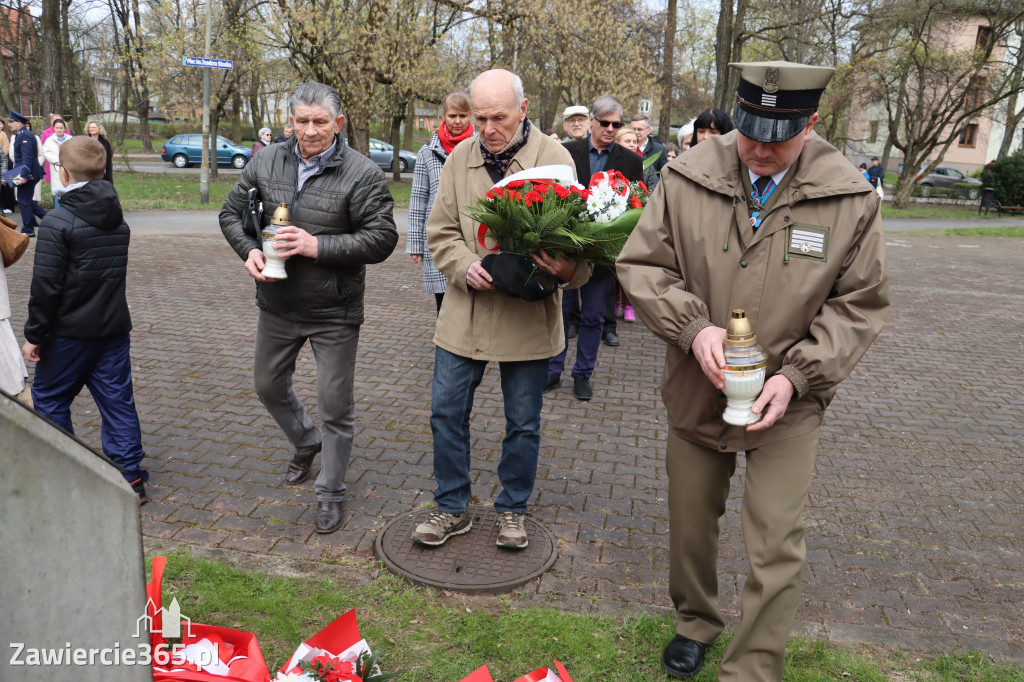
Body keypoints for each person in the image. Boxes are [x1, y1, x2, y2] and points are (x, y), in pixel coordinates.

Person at [617, 60, 889, 681]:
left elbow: (859, 304)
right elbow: (643, 266)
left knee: (775, 539)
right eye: (749, 133)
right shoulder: (686, 175)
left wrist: (798, 376)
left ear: (811, 124)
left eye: (780, 138)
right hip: (698, 388)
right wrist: (695, 329)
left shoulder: (849, 197)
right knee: (691, 523)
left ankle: (754, 666)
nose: (761, 150)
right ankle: (695, 622)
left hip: (789, 400)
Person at [411, 69, 590, 550]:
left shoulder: (555, 159)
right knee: (446, 413)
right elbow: (440, 231)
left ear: (523, 109)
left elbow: (579, 244)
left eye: (499, 118)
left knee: (523, 422)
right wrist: (463, 265)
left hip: (526, 318)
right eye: (480, 118)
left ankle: (513, 508)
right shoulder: (459, 159)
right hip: (465, 312)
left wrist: (567, 266)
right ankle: (452, 506)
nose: (488, 129)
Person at [219, 82, 398, 535]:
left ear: (338, 123)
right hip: (277, 302)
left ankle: (331, 491)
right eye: (303, 121)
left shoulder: (362, 173)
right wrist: (248, 250)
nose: (312, 130)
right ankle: (305, 439)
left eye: (321, 121)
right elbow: (230, 214)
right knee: (267, 385)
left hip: (334, 310)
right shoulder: (265, 161)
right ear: (291, 122)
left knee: (334, 405)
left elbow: (382, 239)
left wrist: (317, 246)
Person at [21, 136, 151, 502]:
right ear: (104, 170)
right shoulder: (118, 220)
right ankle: (130, 477)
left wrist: (34, 335)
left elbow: (45, 287)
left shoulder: (56, 223)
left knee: (49, 398)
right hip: (112, 329)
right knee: (117, 401)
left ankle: (66, 472)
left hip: (69, 334)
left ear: (62, 173)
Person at [548, 95, 642, 401]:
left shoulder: (630, 161)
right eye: (605, 123)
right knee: (562, 315)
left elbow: (637, 206)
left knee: (592, 318)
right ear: (591, 121)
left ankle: (582, 374)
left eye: (617, 124)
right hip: (567, 248)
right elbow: (554, 194)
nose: (611, 129)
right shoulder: (566, 152)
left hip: (602, 253)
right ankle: (552, 371)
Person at [406, 91, 473, 313]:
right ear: (443, 115)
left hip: (472, 233)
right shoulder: (427, 153)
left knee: (473, 298)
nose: (457, 121)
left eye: (463, 115)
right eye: (452, 115)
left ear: (470, 115)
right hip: (439, 235)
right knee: (444, 304)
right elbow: (418, 199)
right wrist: (416, 244)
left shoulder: (480, 149)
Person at [7, 111, 46, 237]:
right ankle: (48, 219)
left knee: (24, 200)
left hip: (28, 173)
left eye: (11, 122)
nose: (9, 124)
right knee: (25, 199)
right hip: (23, 172)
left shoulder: (25, 135)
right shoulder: (21, 134)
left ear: (19, 123)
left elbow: (27, 158)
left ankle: (28, 229)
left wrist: (23, 176)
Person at [631, 114, 667, 189]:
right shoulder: (625, 148)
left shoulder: (659, 150)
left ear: (648, 130)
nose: (636, 132)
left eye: (639, 129)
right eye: (633, 129)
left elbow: (663, 175)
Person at [42, 119, 72, 207]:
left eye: (61, 128)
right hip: (56, 168)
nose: (59, 130)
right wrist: (58, 160)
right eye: (57, 128)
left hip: (69, 168)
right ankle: (58, 209)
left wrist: (67, 160)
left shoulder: (70, 139)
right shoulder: (49, 140)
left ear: (64, 128)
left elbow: (74, 152)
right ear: (54, 128)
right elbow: (47, 153)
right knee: (57, 191)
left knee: (69, 191)